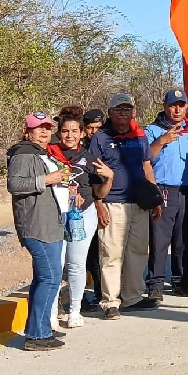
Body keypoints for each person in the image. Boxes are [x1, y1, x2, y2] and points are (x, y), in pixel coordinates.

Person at [90, 93, 161, 320]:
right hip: (112, 204)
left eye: (127, 109)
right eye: (118, 109)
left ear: (133, 112)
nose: (123, 113)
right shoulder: (100, 138)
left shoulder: (139, 137)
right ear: (109, 112)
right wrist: (99, 204)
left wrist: (155, 197)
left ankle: (133, 297)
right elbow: (93, 175)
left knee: (137, 252)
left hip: (139, 203)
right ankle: (110, 301)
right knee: (111, 253)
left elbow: (146, 166)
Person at [47, 107, 114, 329]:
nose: (70, 135)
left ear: (82, 133)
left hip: (82, 215)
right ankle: (51, 311)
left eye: (75, 131)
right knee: (56, 265)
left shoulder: (89, 158)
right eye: (65, 131)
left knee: (76, 264)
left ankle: (74, 310)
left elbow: (99, 193)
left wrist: (108, 178)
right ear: (59, 132)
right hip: (56, 215)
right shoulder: (48, 154)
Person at [7, 112, 67, 350]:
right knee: (50, 277)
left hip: (50, 224)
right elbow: (14, 184)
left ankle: (40, 328)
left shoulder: (41, 153)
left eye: (47, 128)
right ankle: (36, 336)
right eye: (38, 128)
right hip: (36, 226)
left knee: (45, 278)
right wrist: (47, 179)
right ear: (27, 131)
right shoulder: (23, 153)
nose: (44, 132)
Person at [144, 89, 188, 300]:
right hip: (163, 190)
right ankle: (156, 284)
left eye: (180, 104)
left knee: (184, 239)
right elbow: (145, 159)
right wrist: (162, 140)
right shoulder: (151, 131)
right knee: (159, 240)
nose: (177, 109)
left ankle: (181, 281)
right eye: (172, 105)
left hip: (187, 191)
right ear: (165, 106)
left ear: (186, 106)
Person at [82, 108, 105, 310]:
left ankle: (102, 290)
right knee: (90, 252)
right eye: (90, 128)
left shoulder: (106, 144)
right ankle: (95, 291)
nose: (94, 132)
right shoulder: (81, 149)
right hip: (87, 204)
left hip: (107, 200)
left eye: (98, 127)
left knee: (102, 250)